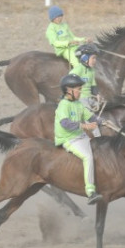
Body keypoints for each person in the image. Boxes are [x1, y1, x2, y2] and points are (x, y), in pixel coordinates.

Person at [55, 73, 103, 204]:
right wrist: (85, 126)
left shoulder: (78, 104)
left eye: (81, 89)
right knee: (88, 157)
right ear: (69, 90)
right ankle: (90, 192)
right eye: (78, 89)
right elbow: (65, 124)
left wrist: (102, 121)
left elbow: (91, 116)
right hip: (68, 139)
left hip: (81, 137)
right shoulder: (64, 105)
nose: (81, 92)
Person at [70, 43, 101, 111]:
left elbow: (93, 85)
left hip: (89, 98)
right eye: (93, 58)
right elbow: (69, 82)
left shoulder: (92, 71)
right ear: (84, 58)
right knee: (88, 113)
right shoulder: (78, 70)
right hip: (80, 99)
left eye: (95, 58)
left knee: (101, 107)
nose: (95, 61)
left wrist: (97, 94)